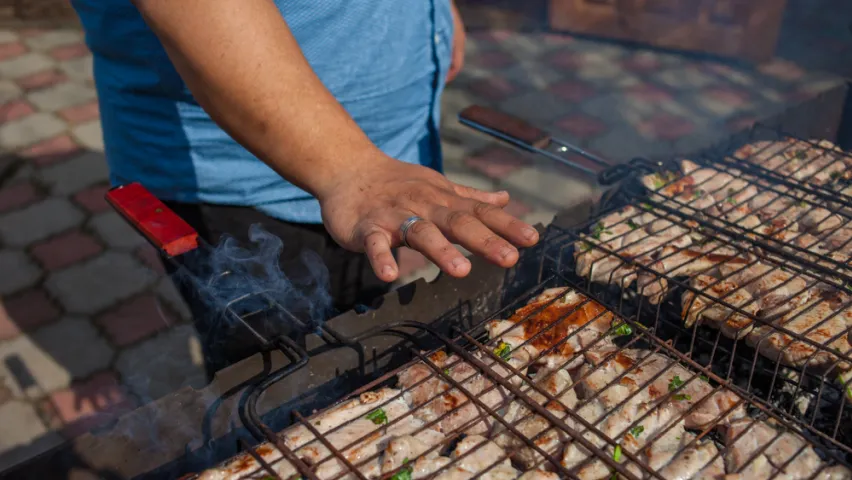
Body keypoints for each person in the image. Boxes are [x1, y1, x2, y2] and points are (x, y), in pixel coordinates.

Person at [72, 0, 540, 376]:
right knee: (277, 387)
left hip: (376, 178)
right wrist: (350, 170)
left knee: (362, 351)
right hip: (238, 180)